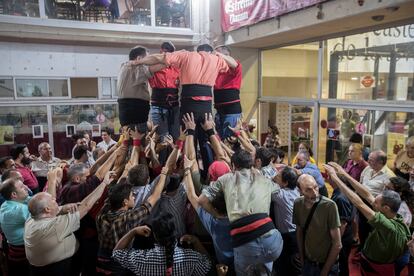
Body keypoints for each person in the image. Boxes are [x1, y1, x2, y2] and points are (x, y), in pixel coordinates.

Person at [132, 43, 236, 179]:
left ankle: (189, 176)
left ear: (197, 51)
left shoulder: (187, 55)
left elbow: (158, 58)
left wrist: (138, 62)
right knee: (206, 142)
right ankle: (210, 175)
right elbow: (234, 64)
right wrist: (219, 54)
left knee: (188, 140)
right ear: (210, 51)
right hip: (206, 106)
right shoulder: (216, 59)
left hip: (188, 106)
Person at [199, 150, 283, 275]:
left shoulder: (226, 178)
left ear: (233, 166)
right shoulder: (263, 177)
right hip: (273, 243)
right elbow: (279, 187)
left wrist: (216, 214)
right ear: (252, 164)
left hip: (246, 245)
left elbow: (202, 200)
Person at [324, 163, 411, 276]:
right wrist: (344, 174)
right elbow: (367, 195)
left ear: (385, 208)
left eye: (376, 203)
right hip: (372, 262)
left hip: (377, 268)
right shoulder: (392, 214)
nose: (372, 203)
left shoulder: (388, 226)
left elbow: (359, 204)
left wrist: (335, 178)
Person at [24, 172, 112, 276]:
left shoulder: (32, 218)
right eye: (53, 200)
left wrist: (62, 208)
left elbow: (48, 209)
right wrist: (104, 183)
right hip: (55, 269)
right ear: (47, 209)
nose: (55, 199)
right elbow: (86, 205)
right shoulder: (52, 227)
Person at [96, 167, 168, 274]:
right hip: (118, 263)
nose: (134, 197)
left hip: (100, 259)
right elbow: (155, 196)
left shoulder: (102, 213)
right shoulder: (129, 218)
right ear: (125, 202)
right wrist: (163, 174)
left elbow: (111, 196)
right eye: (131, 195)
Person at [112, 211, 211, 276]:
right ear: (174, 231)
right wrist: (196, 241)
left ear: (154, 235)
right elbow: (208, 264)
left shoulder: (141, 259)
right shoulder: (192, 258)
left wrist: (133, 231)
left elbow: (116, 253)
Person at [293, 174, 341, 276]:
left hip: (326, 266)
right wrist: (302, 259)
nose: (314, 193)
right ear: (300, 191)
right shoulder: (297, 203)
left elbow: (337, 244)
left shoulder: (330, 206)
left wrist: (324, 271)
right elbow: (299, 232)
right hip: (308, 263)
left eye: (315, 187)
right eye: (308, 190)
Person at [117, 46, 164, 132]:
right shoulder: (134, 67)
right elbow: (159, 66)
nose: (149, 62)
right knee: (138, 143)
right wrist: (170, 58)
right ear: (139, 58)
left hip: (131, 115)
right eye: (148, 58)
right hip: (135, 116)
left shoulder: (125, 66)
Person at [272, 166, 301, 276]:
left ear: (285, 183)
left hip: (288, 236)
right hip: (295, 232)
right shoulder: (296, 190)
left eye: (279, 176)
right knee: (294, 263)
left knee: (289, 264)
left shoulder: (280, 194)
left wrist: (273, 177)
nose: (276, 177)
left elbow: (267, 185)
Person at [149, 42, 180, 142]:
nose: (166, 56)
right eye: (164, 53)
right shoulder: (153, 66)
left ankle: (175, 157)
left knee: (176, 138)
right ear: (161, 51)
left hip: (174, 107)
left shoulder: (177, 68)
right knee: (162, 139)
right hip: (158, 106)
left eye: (169, 54)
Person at [0, 178, 31, 275]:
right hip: (22, 252)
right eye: (22, 187)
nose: (26, 188)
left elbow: (32, 199)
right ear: (14, 194)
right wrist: (52, 181)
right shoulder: (19, 210)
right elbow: (46, 210)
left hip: (13, 248)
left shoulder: (6, 204)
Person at [327, 174, 355, 276]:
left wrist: (336, 242)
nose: (327, 178)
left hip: (343, 236)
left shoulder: (340, 198)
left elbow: (343, 223)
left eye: (330, 177)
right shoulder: (342, 192)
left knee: (341, 264)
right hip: (346, 233)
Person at [213, 45, 243, 139]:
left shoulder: (235, 66)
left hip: (232, 110)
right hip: (219, 110)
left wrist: (217, 53)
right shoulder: (218, 70)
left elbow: (234, 64)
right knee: (219, 138)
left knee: (230, 139)